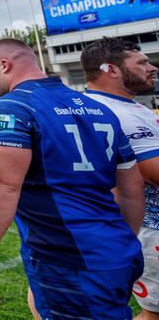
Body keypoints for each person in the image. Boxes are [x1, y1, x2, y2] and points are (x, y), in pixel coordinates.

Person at [0, 38, 143, 318]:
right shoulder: (100, 107)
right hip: (118, 247)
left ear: (4, 64)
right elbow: (131, 186)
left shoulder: (12, 107)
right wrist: (120, 240)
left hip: (68, 256)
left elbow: (4, 186)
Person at [81, 37, 159, 317]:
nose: (152, 68)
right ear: (111, 70)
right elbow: (154, 173)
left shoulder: (124, 105)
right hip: (148, 227)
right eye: (141, 62)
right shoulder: (116, 113)